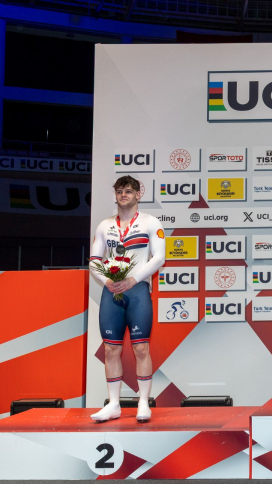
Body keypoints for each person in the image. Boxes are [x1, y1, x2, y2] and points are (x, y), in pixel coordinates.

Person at [89, 176, 165, 423]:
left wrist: (133, 280)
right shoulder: (104, 225)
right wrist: (106, 281)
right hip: (112, 291)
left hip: (137, 290)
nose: (124, 195)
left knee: (141, 348)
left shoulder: (151, 222)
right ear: (115, 195)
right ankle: (113, 405)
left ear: (137, 194)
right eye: (120, 191)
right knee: (111, 349)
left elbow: (159, 258)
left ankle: (143, 403)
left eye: (129, 191)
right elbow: (94, 260)